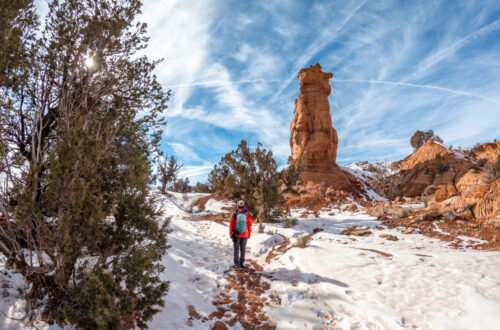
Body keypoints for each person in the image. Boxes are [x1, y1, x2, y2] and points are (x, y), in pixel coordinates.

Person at [229, 200, 252, 268]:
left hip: (236, 233)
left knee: (236, 248)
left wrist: (231, 233)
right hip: (245, 233)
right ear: (243, 205)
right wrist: (249, 233)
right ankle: (242, 262)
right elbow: (250, 224)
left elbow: (231, 224)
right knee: (243, 248)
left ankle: (236, 263)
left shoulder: (235, 213)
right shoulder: (247, 214)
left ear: (237, 205)